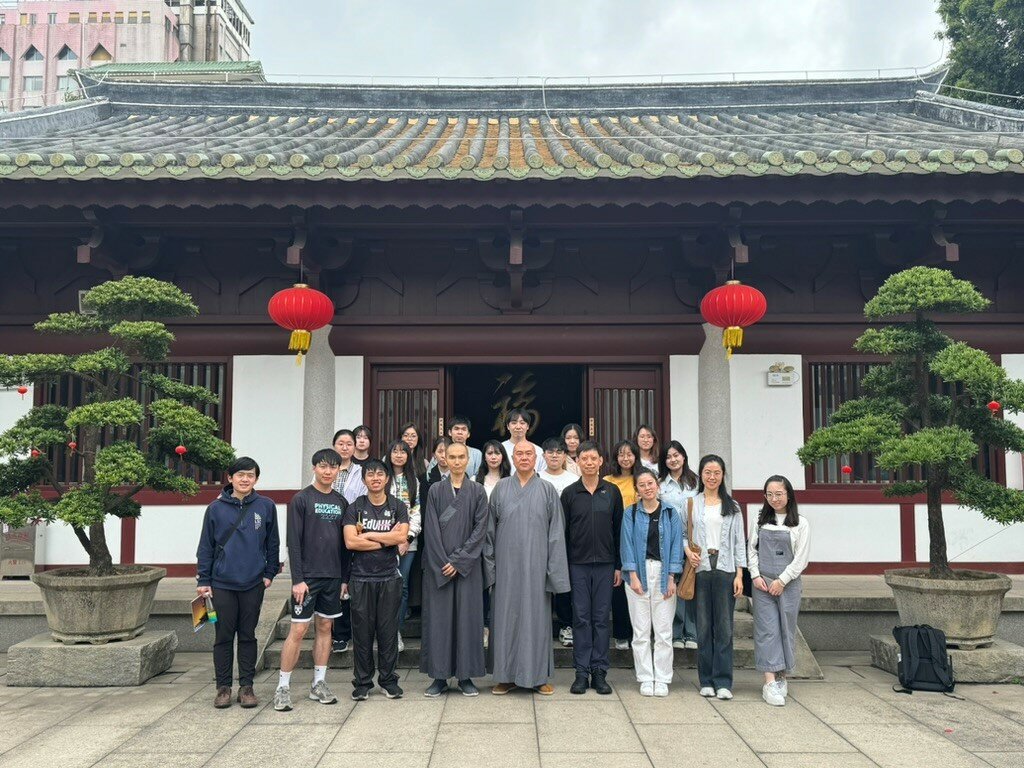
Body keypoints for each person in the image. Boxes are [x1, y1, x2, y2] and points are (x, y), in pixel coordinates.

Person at [485, 442, 570, 695]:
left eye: (528, 454)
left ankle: (537, 676)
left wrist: (553, 574)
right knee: (504, 619)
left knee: (537, 620)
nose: (524, 458)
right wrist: (490, 570)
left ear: (537, 458)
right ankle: (504, 676)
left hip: (536, 567)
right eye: (519, 454)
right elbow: (489, 533)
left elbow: (556, 534)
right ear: (512, 457)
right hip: (506, 568)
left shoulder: (547, 490)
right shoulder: (500, 489)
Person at [196, 457, 280, 709]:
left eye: (251, 475)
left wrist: (269, 573)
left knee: (248, 635)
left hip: (253, 582)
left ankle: (247, 686)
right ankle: (223, 687)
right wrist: (204, 578)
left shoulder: (266, 506)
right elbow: (205, 546)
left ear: (256, 479)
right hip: (222, 583)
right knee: (222, 636)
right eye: (240, 474)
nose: (245, 479)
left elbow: (272, 543)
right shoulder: (215, 509)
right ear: (230, 478)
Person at [274, 449, 348, 712]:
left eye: (333, 467)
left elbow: (344, 544)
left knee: (325, 628)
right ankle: (282, 687)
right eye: (323, 466)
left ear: (338, 471)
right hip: (307, 579)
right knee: (298, 629)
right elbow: (293, 542)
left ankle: (319, 683)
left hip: (333, 576)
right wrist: (298, 579)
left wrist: (344, 578)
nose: (328, 471)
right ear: (314, 468)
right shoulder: (301, 499)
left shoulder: (341, 501)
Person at [420, 441, 490, 697]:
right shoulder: (436, 490)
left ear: (469, 460)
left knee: (468, 620)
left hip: (467, 568)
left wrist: (460, 561)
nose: (458, 461)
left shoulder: (478, 492)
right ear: (445, 460)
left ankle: (466, 676)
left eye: (462, 457)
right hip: (440, 566)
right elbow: (431, 529)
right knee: (439, 621)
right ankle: (439, 676)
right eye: (453, 457)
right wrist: (443, 563)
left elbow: (480, 530)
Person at [342, 459, 411, 701]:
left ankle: (388, 680)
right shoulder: (355, 507)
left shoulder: (398, 505)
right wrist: (385, 538)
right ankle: (362, 682)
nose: (375, 478)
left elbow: (401, 537)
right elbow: (351, 542)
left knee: (388, 632)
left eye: (380, 474)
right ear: (364, 480)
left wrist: (369, 535)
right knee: (361, 633)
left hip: (389, 577)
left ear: (387, 478)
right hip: (360, 579)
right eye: (370, 474)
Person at [560, 441, 623, 695]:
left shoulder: (612, 491)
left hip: (606, 565)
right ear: (579, 462)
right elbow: (562, 532)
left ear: (600, 462)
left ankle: (599, 671)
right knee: (581, 618)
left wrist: (619, 565)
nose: (588, 462)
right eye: (584, 458)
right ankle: (581, 672)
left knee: (600, 619)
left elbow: (619, 530)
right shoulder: (570, 493)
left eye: (592, 458)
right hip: (577, 564)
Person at [688, 454, 747, 701]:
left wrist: (740, 574)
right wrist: (687, 551)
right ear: (701, 475)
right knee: (703, 627)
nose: (712, 477)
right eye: (707, 472)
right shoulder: (692, 503)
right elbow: (683, 533)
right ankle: (706, 680)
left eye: (717, 473)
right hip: (700, 566)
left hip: (724, 568)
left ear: (723, 476)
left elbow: (738, 542)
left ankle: (723, 680)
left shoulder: (732, 506)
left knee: (724, 627)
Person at [621, 467, 683, 697]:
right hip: (638, 572)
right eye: (642, 485)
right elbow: (626, 544)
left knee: (664, 630)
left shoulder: (670, 513)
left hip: (664, 572)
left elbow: (677, 546)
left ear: (657, 485)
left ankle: (663, 678)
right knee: (641, 630)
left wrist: (671, 578)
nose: (647, 488)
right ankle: (646, 677)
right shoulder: (631, 513)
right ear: (637, 490)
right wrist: (633, 576)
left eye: (650, 483)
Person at [749, 475, 810, 707]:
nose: (775, 498)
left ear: (789, 495)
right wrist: (755, 575)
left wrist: (782, 580)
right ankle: (769, 681)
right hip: (763, 584)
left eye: (779, 494)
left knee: (786, 628)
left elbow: (801, 559)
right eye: (770, 494)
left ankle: (783, 675)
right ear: (765, 497)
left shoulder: (800, 524)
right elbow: (752, 550)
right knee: (767, 630)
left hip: (789, 584)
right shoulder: (760, 521)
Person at [659, 440, 700, 650]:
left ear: (683, 456)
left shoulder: (696, 483)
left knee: (690, 585)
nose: (673, 459)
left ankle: (691, 632)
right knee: (672, 585)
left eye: (676, 455)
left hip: (693, 543)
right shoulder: (660, 485)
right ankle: (676, 632)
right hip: (668, 542)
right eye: (668, 456)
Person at [329, 429, 367, 654]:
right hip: (328, 532)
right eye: (341, 443)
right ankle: (339, 634)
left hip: (352, 530)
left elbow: (362, 501)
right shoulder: (325, 468)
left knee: (351, 582)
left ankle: (356, 631)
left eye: (349, 443)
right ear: (334, 446)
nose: (345, 447)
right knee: (336, 582)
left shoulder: (361, 471)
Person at [383, 439, 422, 653]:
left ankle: (395, 632)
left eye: (403, 452)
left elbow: (416, 512)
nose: (399, 455)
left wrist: (406, 538)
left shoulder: (413, 480)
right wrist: (388, 537)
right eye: (395, 451)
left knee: (402, 586)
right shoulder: (382, 477)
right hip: (383, 541)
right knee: (383, 587)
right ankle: (383, 631)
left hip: (408, 543)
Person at [540, 436, 577, 649]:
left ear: (565, 456)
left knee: (563, 583)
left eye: (559, 452)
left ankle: (566, 626)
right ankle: (541, 626)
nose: (555, 455)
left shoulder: (572, 480)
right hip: (540, 537)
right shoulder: (537, 477)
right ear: (544, 455)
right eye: (550, 451)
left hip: (566, 538)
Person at [604, 439, 640, 650]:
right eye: (621, 454)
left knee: (638, 587)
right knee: (618, 585)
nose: (625, 458)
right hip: (615, 536)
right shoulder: (608, 481)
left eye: (629, 454)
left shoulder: (641, 479)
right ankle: (620, 633)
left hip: (639, 537)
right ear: (615, 458)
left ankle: (638, 633)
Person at [500, 408, 546, 472]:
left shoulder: (538, 451)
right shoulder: (500, 449)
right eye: (514, 423)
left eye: (522, 423)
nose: (518, 427)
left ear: (528, 426)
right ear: (508, 426)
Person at [420, 436, 452, 504]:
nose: (443, 455)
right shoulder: (426, 478)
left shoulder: (461, 476)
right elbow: (425, 505)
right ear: (434, 454)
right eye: (440, 452)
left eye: (447, 452)